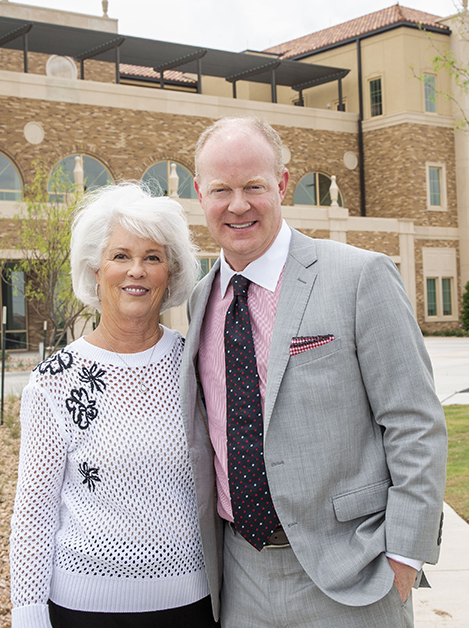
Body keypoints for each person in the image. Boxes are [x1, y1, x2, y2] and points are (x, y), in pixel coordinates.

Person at [179, 117, 448, 627]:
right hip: (240, 576)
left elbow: (416, 422)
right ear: (199, 193)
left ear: (281, 184)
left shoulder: (359, 276)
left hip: (353, 572)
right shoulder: (200, 300)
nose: (238, 205)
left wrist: (405, 556)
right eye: (221, 190)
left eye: (253, 186)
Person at [9, 182, 215, 628]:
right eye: (120, 256)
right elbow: (34, 511)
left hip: (193, 607)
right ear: (95, 269)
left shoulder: (197, 365)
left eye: (152, 257)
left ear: (171, 273)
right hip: (84, 611)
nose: (135, 271)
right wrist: (27, 614)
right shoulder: (53, 382)